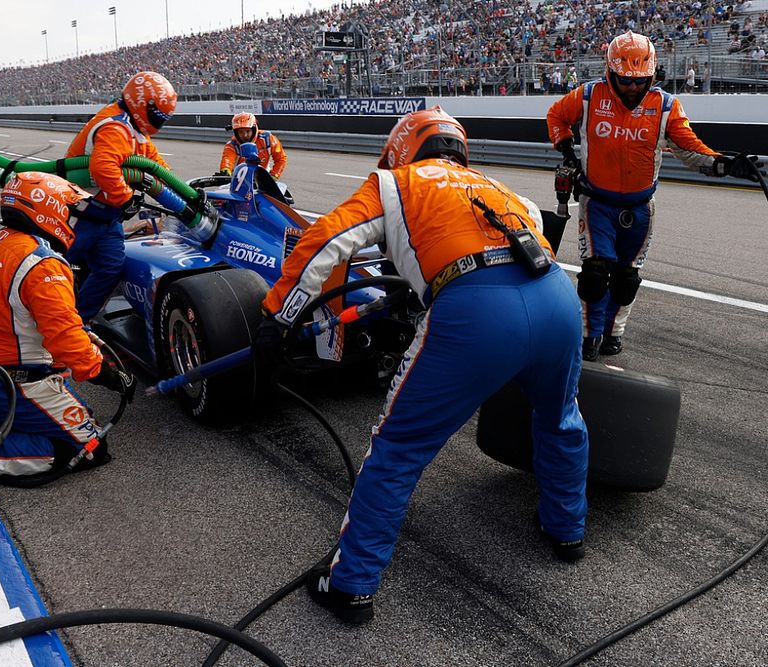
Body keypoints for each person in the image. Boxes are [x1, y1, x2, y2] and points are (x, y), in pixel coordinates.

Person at [256, 108, 590, 624]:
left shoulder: (394, 182)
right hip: (557, 302)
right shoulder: (497, 186)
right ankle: (567, 530)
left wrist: (279, 314)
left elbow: (325, 240)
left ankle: (351, 585)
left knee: (398, 448)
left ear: (401, 149)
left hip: (476, 313)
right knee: (560, 419)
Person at [546, 31, 765, 360]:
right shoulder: (589, 96)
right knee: (594, 275)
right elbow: (556, 116)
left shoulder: (665, 106)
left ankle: (613, 331)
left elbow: (690, 148)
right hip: (596, 204)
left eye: (641, 80)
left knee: (627, 279)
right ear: (611, 72)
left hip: (641, 207)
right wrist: (567, 153)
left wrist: (724, 164)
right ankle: (589, 334)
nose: (633, 87)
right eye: (625, 80)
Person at [0, 172, 135, 482]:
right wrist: (108, 375)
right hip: (19, 382)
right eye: (69, 210)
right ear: (48, 209)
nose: (72, 219)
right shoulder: (42, 264)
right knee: (91, 446)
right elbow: (66, 339)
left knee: (82, 418)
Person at [64, 71, 177, 324]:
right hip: (78, 213)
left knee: (111, 267)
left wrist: (181, 190)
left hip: (105, 217)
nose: (159, 122)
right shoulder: (116, 125)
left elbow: (156, 165)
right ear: (142, 104)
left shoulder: (134, 129)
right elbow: (103, 167)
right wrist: (126, 198)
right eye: (157, 116)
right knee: (51, 268)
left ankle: (78, 322)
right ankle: (33, 324)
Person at [218, 113, 287, 179]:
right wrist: (225, 170)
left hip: (262, 178)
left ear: (254, 129)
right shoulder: (232, 145)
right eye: (241, 132)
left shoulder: (268, 139)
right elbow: (227, 159)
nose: (245, 135)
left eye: (248, 131)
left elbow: (281, 158)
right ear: (236, 132)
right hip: (238, 178)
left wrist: (274, 175)